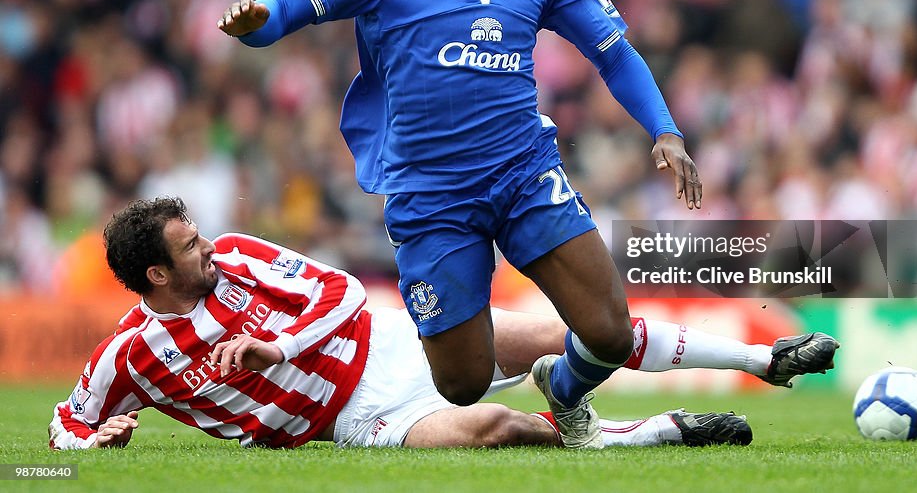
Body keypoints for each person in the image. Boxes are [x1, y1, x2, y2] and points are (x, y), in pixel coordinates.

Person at [217, 0, 706, 449]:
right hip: (431, 195)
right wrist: (255, 21)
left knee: (610, 334)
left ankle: (563, 388)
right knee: (463, 382)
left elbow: (613, 53)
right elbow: (289, 9)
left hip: (523, 174)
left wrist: (665, 130)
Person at [49, 197, 838, 451]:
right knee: (493, 428)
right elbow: (63, 426)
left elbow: (343, 293)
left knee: (571, 329)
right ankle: (653, 432)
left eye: (199, 233)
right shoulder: (132, 353)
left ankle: (762, 358)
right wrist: (92, 442)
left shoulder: (242, 256)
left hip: (388, 336)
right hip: (358, 415)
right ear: (157, 276)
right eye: (190, 246)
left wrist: (275, 345)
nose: (208, 246)